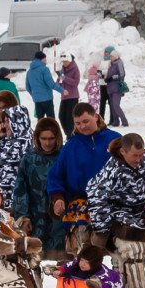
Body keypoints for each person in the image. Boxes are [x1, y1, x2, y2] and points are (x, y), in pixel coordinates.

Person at [86, 132, 145, 288]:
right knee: (131, 251)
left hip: (142, 217)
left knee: (134, 255)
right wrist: (102, 231)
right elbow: (95, 196)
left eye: (141, 155)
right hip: (117, 216)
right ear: (123, 151)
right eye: (134, 156)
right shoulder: (112, 170)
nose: (139, 159)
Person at [48, 103, 119, 254]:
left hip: (113, 202)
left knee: (118, 250)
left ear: (95, 116)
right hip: (81, 203)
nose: (82, 126)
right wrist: (58, 197)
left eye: (86, 121)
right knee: (84, 253)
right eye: (77, 123)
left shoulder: (115, 140)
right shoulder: (71, 146)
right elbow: (56, 175)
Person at [12, 117, 66, 258]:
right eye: (44, 138)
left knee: (61, 262)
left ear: (58, 137)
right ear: (37, 137)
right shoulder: (29, 159)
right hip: (36, 219)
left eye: (51, 138)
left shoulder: (65, 156)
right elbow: (20, 190)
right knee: (36, 259)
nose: (47, 143)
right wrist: (23, 217)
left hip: (61, 220)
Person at [25, 51, 62, 122]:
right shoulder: (44, 69)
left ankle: (40, 133)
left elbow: (27, 87)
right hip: (47, 99)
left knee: (40, 121)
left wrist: (34, 95)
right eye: (45, 59)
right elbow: (51, 84)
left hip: (37, 101)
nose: (46, 60)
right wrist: (62, 90)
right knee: (51, 121)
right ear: (41, 59)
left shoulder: (29, 71)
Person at [102, 47, 127, 127]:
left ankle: (124, 122)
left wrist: (113, 78)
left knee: (116, 105)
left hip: (116, 88)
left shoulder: (119, 63)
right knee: (112, 105)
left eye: (112, 56)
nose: (110, 57)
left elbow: (122, 74)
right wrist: (107, 78)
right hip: (110, 88)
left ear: (116, 56)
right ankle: (116, 122)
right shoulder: (111, 64)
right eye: (110, 56)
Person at [55, 54, 80, 133]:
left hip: (73, 96)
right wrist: (58, 82)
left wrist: (64, 78)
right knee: (61, 116)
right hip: (64, 96)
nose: (64, 63)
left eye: (65, 61)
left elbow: (75, 83)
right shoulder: (63, 69)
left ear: (70, 60)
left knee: (70, 118)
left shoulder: (75, 69)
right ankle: (68, 133)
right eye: (63, 62)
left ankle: (71, 134)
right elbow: (61, 82)